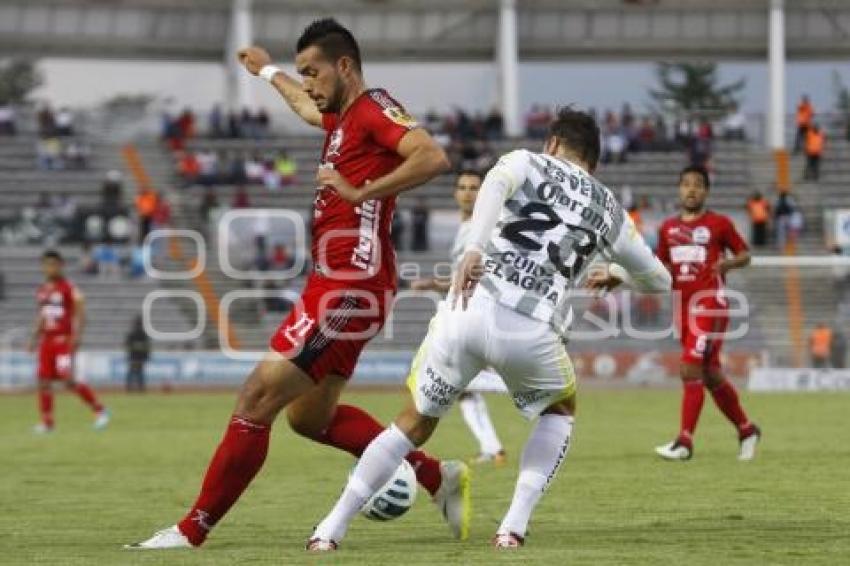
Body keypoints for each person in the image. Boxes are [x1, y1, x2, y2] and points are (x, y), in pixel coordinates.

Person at [128, 18, 468, 551]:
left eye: (313, 72)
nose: (308, 83)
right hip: (342, 281)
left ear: (345, 66)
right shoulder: (340, 118)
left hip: (349, 284)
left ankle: (191, 530)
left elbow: (432, 156)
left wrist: (361, 192)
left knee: (257, 396)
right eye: (303, 73)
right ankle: (435, 476)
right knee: (310, 418)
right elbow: (307, 108)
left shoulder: (375, 107)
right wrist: (267, 71)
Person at [306, 107, 671, 551]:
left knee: (413, 424)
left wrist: (475, 248)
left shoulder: (525, 161)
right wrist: (617, 273)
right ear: (594, 161)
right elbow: (660, 280)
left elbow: (495, 183)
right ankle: (512, 529)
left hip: (468, 310)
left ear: (553, 143)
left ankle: (329, 529)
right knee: (559, 412)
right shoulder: (611, 209)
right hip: (532, 331)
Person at [654, 165, 760, 461]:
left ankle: (684, 441)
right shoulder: (667, 229)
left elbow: (745, 254)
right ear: (679, 189)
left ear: (706, 191)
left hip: (710, 304)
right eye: (686, 184)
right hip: (683, 308)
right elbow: (660, 266)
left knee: (689, 368)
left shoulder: (719, 224)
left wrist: (727, 265)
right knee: (710, 375)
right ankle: (747, 430)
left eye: (698, 185)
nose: (691, 189)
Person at [411, 170, 506, 464]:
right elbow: (460, 274)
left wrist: (432, 284)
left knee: (438, 376)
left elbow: (482, 272)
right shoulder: (467, 226)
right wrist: (437, 284)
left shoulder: (487, 226)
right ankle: (492, 449)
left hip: (479, 311)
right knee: (461, 388)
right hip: (460, 308)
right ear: (455, 193)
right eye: (462, 187)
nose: (468, 193)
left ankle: (527, 383)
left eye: (474, 188)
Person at [29, 250, 110, 433]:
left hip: (62, 340)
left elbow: (81, 310)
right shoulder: (42, 291)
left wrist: (77, 336)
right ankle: (47, 423)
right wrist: (34, 337)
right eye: (47, 265)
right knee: (43, 381)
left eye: (54, 264)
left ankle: (100, 410)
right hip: (46, 341)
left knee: (68, 380)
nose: (50, 268)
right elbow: (42, 316)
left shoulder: (68, 288)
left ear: (60, 266)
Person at [125, 315, 151, 392]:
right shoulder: (143, 335)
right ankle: (141, 388)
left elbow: (128, 345)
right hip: (140, 358)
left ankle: (130, 388)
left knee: (132, 373)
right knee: (139, 374)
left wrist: (129, 355)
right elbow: (147, 347)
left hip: (134, 357)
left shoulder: (132, 334)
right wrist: (146, 356)